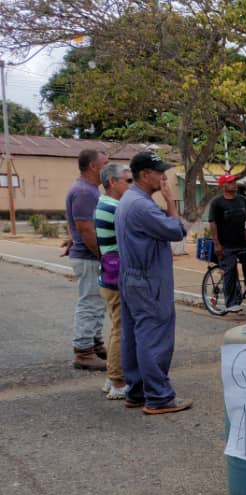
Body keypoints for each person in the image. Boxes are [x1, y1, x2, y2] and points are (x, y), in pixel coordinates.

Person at [114, 151, 190, 414]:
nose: (164, 177)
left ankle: (136, 392)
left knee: (134, 335)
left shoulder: (129, 200)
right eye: (159, 172)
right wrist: (171, 202)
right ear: (145, 175)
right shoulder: (142, 205)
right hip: (148, 279)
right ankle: (158, 397)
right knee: (153, 335)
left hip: (132, 276)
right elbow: (177, 230)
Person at [64, 148, 109, 370]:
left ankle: (94, 344)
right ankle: (83, 351)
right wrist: (103, 256)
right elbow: (85, 227)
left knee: (97, 302)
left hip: (88, 255)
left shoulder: (89, 190)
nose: (107, 168)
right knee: (90, 302)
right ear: (93, 166)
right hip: (90, 257)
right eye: (105, 164)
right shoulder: (85, 192)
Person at [94, 163, 132, 399]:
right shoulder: (115, 207)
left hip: (108, 275)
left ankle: (112, 376)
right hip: (115, 276)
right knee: (121, 329)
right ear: (112, 182)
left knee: (117, 328)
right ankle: (118, 382)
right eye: (127, 181)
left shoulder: (105, 203)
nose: (130, 185)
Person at [208, 173, 246, 313]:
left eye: (234, 182)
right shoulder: (217, 203)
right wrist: (217, 244)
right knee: (229, 273)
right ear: (223, 186)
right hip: (226, 245)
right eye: (230, 182)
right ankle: (231, 303)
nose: (234, 184)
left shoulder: (242, 200)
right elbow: (213, 223)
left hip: (243, 243)